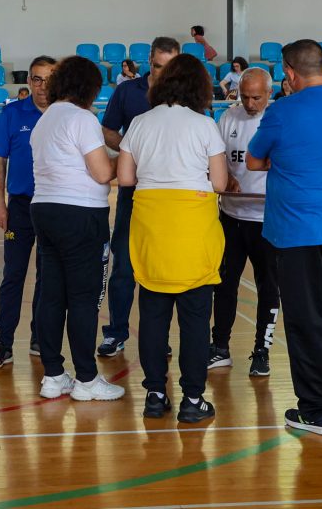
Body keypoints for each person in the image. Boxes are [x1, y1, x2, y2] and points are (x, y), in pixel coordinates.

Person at [246, 39, 322, 435]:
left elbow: (253, 159)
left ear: (290, 73)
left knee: (307, 319)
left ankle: (316, 410)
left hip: (300, 231)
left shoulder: (282, 110)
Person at [117, 54, 228, 423]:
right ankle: (192, 400)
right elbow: (220, 183)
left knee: (152, 316)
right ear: (200, 87)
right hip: (192, 229)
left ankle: (153, 393)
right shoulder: (204, 125)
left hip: (151, 228)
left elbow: (127, 178)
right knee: (195, 320)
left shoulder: (139, 123)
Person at [31, 55, 122, 402]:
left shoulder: (46, 118)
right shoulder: (82, 118)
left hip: (45, 209)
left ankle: (54, 375)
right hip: (81, 215)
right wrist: (128, 156)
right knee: (84, 298)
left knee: (52, 294)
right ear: (89, 87)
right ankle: (86, 379)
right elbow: (102, 173)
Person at [99, 36, 180, 358]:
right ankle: (116, 332)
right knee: (124, 266)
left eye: (170, 67)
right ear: (149, 61)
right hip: (133, 193)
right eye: (159, 66)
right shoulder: (127, 91)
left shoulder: (185, 98)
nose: (163, 74)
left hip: (172, 196)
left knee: (164, 268)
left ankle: (158, 337)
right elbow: (106, 129)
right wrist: (132, 149)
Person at [0, 56, 56, 369]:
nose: (43, 86)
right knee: (13, 275)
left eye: (49, 79)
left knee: (47, 277)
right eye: (37, 79)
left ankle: (40, 335)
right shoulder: (13, 113)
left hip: (54, 207)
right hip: (21, 207)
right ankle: (4, 342)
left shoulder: (66, 115)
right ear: (29, 82)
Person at [211, 68, 279, 376]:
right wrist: (225, 178)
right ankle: (220, 347)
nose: (250, 103)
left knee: (269, 286)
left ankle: (261, 351)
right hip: (232, 216)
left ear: (269, 93)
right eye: (244, 96)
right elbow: (218, 156)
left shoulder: (279, 118)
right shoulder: (228, 118)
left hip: (267, 219)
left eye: (256, 97)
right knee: (225, 283)